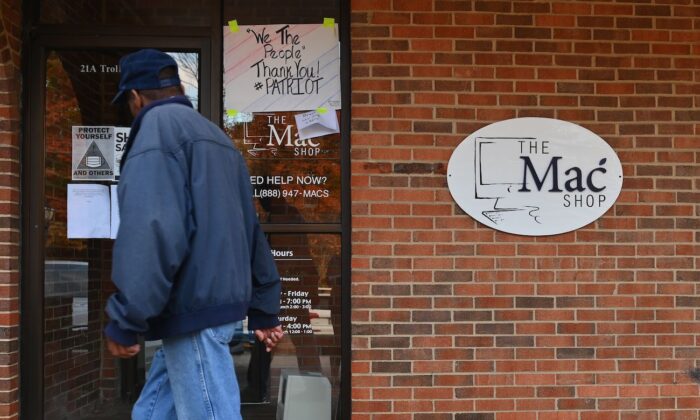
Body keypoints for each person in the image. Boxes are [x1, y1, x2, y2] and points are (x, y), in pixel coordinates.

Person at [103, 49, 284, 420]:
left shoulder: (157, 132)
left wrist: (126, 318)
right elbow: (249, 228)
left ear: (135, 98)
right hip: (210, 310)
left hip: (193, 310)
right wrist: (265, 308)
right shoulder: (217, 138)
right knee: (152, 412)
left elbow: (152, 229)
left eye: (129, 104)